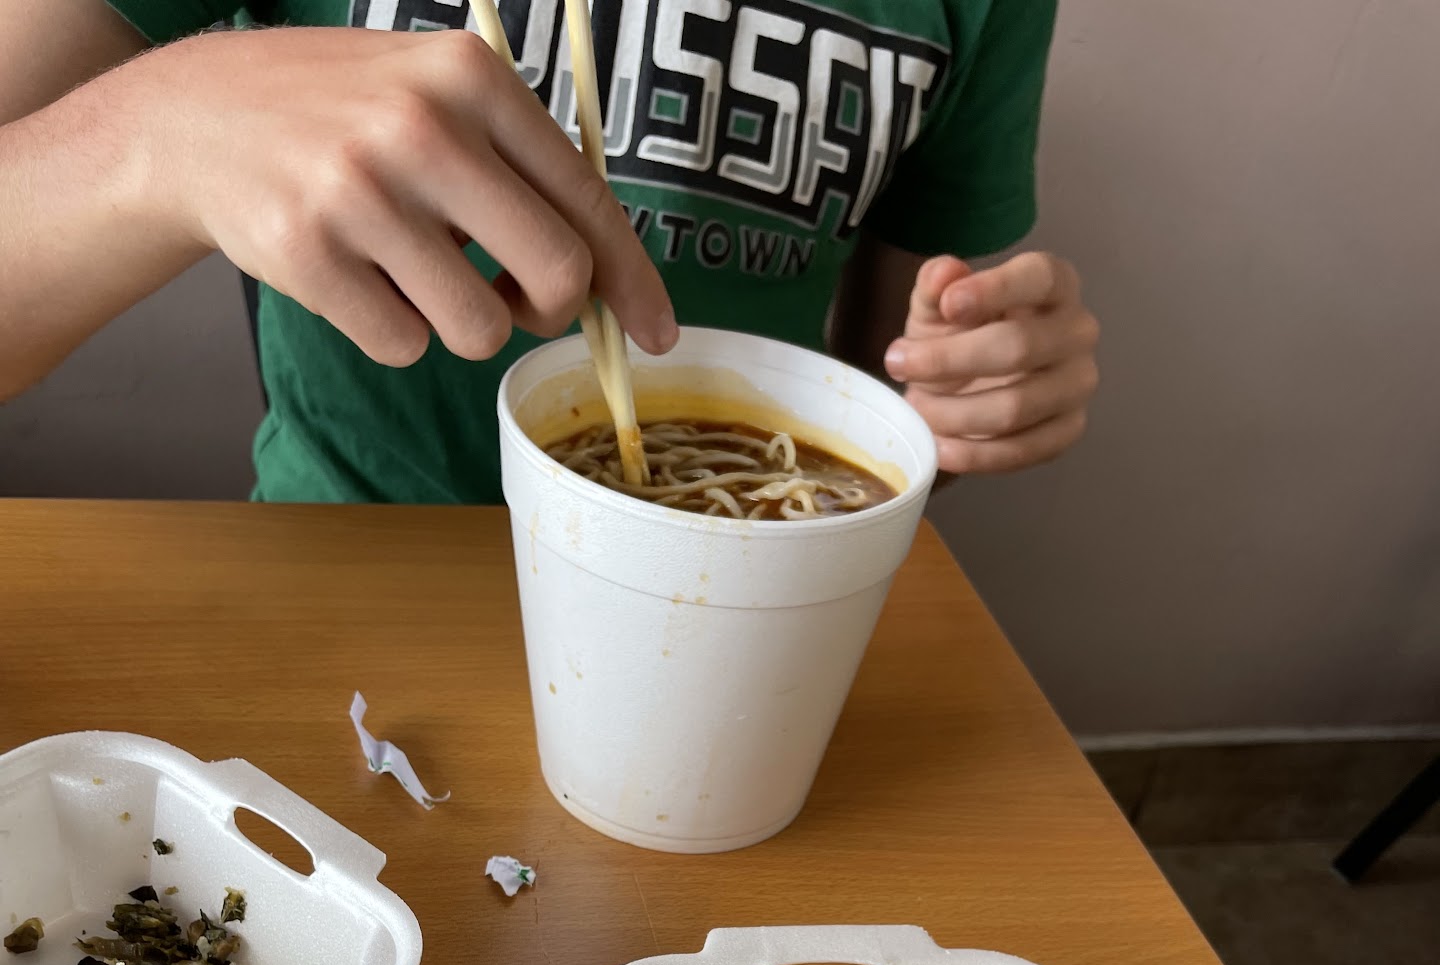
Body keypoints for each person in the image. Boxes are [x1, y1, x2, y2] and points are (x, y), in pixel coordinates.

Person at [0, 1, 1100, 506]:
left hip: (744, 615)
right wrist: (162, 128)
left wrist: (967, 389)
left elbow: (889, 381)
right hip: (350, 590)